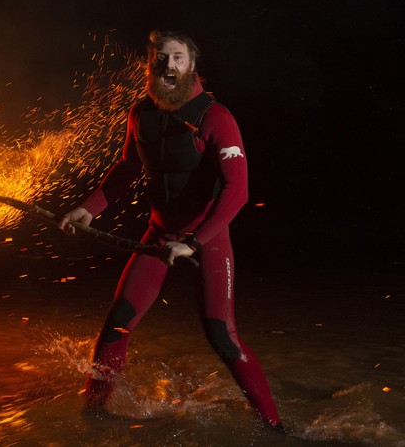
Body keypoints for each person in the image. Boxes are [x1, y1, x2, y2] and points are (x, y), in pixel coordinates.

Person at [60, 29, 282, 429]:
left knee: (222, 336)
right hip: (158, 236)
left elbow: (239, 191)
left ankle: (275, 428)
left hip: (207, 239)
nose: (168, 64)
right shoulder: (140, 113)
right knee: (117, 323)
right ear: (150, 65)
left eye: (177, 57)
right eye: (160, 57)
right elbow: (128, 167)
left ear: (192, 65)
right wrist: (88, 208)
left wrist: (195, 243)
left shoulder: (215, 117)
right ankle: (92, 417)